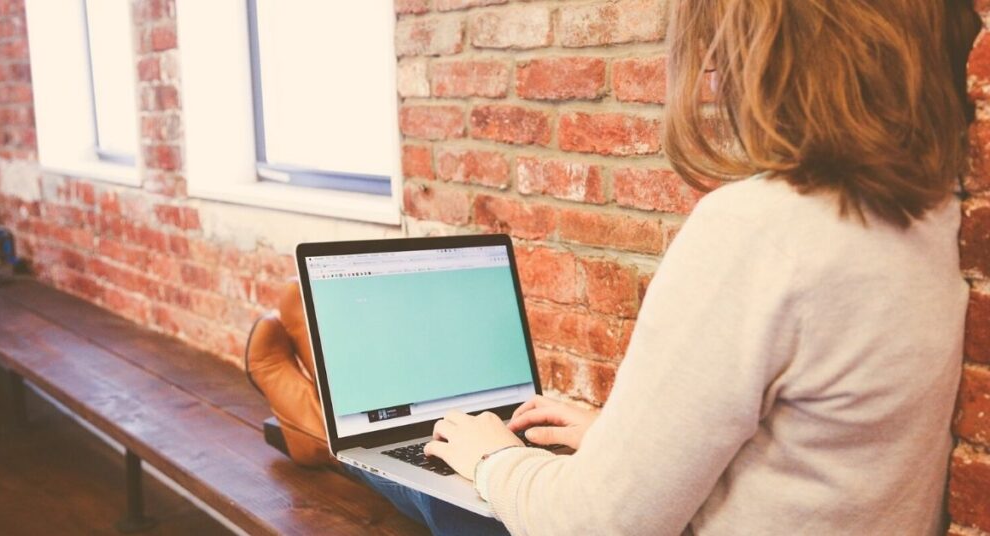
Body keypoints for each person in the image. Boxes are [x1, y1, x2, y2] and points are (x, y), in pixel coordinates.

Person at [245, 0, 981, 534]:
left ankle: (322, 429)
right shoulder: (936, 217)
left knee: (449, 471)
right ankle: (338, 425)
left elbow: (597, 524)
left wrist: (495, 458)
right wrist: (621, 441)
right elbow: (811, 460)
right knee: (478, 448)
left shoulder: (761, 229)